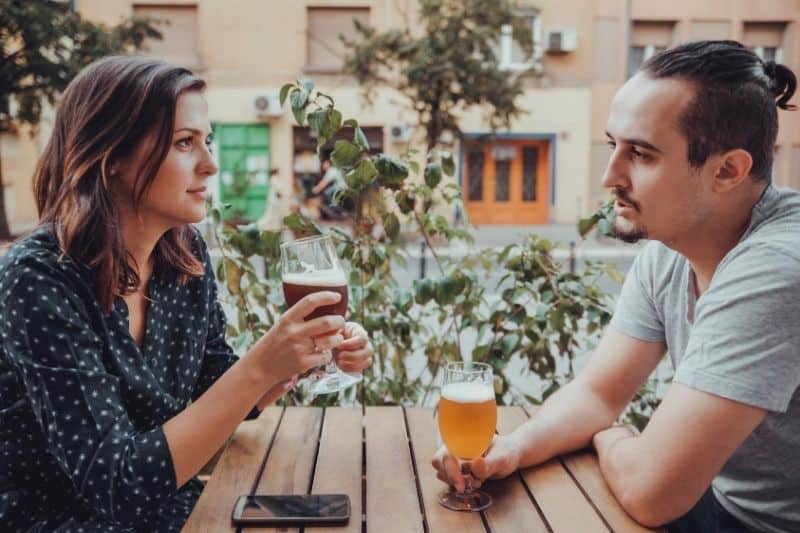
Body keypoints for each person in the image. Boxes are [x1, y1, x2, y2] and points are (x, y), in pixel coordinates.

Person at [433, 40, 799, 533]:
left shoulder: (776, 270)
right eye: (613, 146)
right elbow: (597, 394)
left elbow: (652, 492)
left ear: (727, 171)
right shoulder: (671, 249)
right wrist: (511, 448)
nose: (610, 176)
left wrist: (611, 436)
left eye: (641, 154)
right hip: (718, 505)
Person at [0, 56, 373, 532]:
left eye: (207, 141)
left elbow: (216, 387)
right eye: (184, 143)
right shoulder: (40, 277)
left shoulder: (182, 254)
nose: (211, 164)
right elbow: (116, 484)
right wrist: (262, 364)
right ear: (111, 157)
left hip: (172, 512)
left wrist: (297, 358)